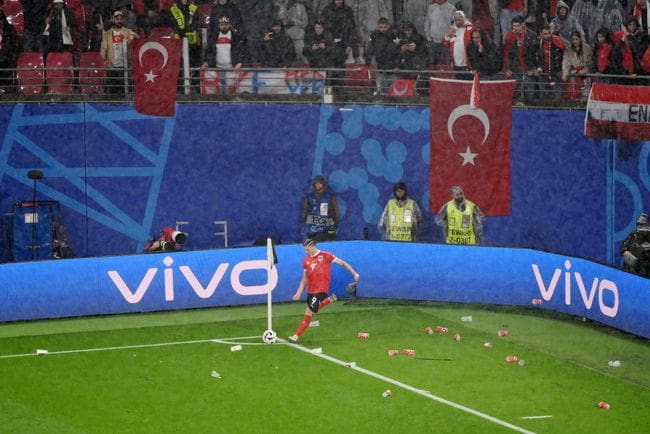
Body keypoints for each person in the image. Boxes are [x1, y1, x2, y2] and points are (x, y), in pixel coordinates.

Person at [288, 238, 360, 342]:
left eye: (307, 249)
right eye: (304, 250)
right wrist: (299, 292)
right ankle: (330, 300)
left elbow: (343, 263)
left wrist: (354, 273)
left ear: (313, 246)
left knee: (310, 310)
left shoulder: (326, 255)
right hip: (311, 290)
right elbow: (305, 278)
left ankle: (296, 336)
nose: (306, 252)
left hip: (321, 289)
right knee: (310, 312)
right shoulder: (306, 260)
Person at [100, 10, 139, 94]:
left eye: (121, 19)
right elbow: (103, 49)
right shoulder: (107, 34)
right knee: (112, 92)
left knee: (123, 91)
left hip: (124, 66)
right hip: (111, 66)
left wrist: (132, 37)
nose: (119, 21)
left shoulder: (128, 31)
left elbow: (137, 37)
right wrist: (103, 61)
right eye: (117, 19)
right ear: (113, 20)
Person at [366, 17, 400, 94]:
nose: (383, 29)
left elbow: (398, 52)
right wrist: (368, 62)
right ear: (378, 27)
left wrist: (397, 65)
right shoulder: (374, 35)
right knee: (380, 90)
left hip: (392, 67)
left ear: (388, 26)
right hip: (380, 66)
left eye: (385, 27)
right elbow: (370, 49)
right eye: (381, 27)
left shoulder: (394, 35)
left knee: (393, 91)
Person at [301, 175, 340, 241]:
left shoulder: (330, 196)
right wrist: (304, 219)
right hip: (312, 228)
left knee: (329, 244)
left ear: (323, 184)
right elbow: (305, 210)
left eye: (319, 183)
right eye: (316, 184)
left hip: (327, 228)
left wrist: (335, 221)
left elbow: (336, 210)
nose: (318, 185)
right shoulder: (309, 197)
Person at [424, 0, 457, 66]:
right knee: (432, 63)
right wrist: (428, 37)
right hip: (433, 41)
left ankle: (446, 75)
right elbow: (427, 23)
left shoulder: (452, 8)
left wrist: (450, 37)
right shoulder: (431, 8)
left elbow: (455, 24)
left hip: (447, 42)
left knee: (447, 63)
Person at [444, 10, 475, 79]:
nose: (457, 22)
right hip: (456, 65)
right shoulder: (452, 30)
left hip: (467, 64)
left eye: (459, 20)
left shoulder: (470, 29)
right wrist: (447, 36)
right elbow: (445, 45)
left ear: (464, 19)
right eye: (456, 20)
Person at [170, 0, 201, 67]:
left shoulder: (193, 8)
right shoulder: (173, 9)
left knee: (192, 62)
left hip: (191, 42)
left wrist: (188, 30)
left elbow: (196, 23)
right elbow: (173, 25)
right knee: (179, 63)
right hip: (178, 41)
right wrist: (180, 32)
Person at [561, 30, 591, 99]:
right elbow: (565, 62)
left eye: (576, 39)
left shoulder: (587, 48)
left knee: (585, 94)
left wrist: (585, 70)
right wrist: (565, 73)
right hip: (574, 75)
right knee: (573, 94)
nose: (575, 41)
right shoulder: (568, 50)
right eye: (573, 39)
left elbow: (590, 62)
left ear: (580, 39)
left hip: (585, 75)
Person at [621, 212, 650, 277]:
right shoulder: (632, 237)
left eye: (643, 225)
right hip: (633, 271)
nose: (640, 227)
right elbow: (623, 249)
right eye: (639, 224)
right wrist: (630, 257)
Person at [0, 10, 20, 94]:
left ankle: (6, 90)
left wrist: (10, 55)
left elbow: (15, 44)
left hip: (7, 59)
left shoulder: (10, 29)